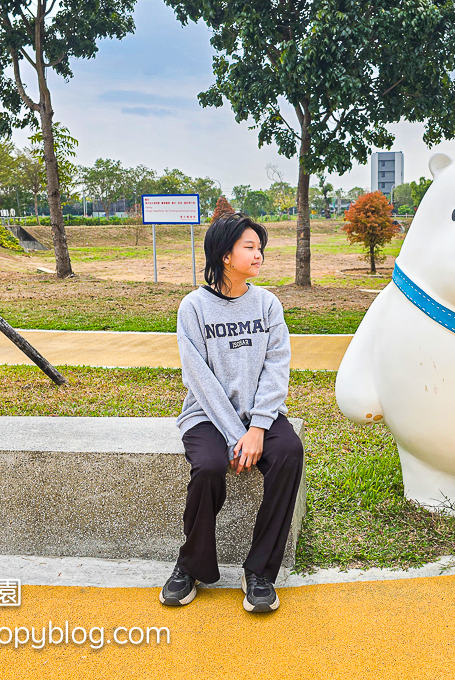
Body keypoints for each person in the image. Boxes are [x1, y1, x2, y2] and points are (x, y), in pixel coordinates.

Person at [160, 212, 303, 613]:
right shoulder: (193, 308)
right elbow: (199, 379)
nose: (259, 255)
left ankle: (259, 572)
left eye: (260, 247)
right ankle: (191, 567)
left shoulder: (267, 304)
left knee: (289, 454)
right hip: (206, 415)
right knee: (207, 468)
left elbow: (277, 366)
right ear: (225, 255)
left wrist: (257, 428)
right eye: (250, 247)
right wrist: (231, 435)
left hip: (260, 415)